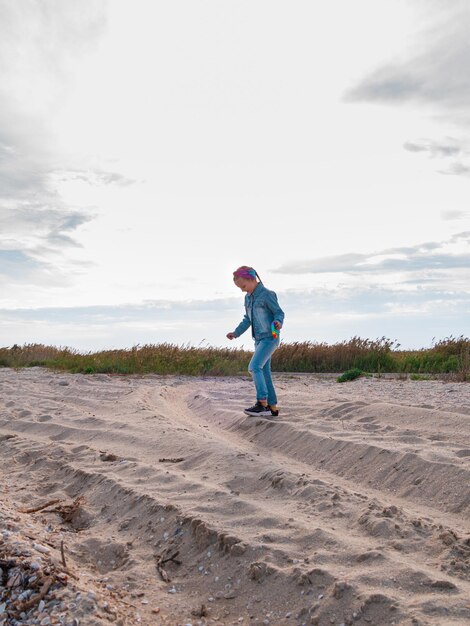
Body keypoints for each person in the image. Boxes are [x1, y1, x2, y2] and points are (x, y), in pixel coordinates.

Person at [227, 266, 285, 417]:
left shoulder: (267, 295)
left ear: (252, 279)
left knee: (254, 367)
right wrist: (236, 333)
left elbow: (278, 312)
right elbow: (247, 319)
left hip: (270, 338)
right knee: (264, 372)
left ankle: (262, 403)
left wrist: (278, 322)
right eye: (240, 288)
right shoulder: (248, 298)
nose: (242, 290)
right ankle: (272, 406)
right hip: (258, 340)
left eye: (244, 286)